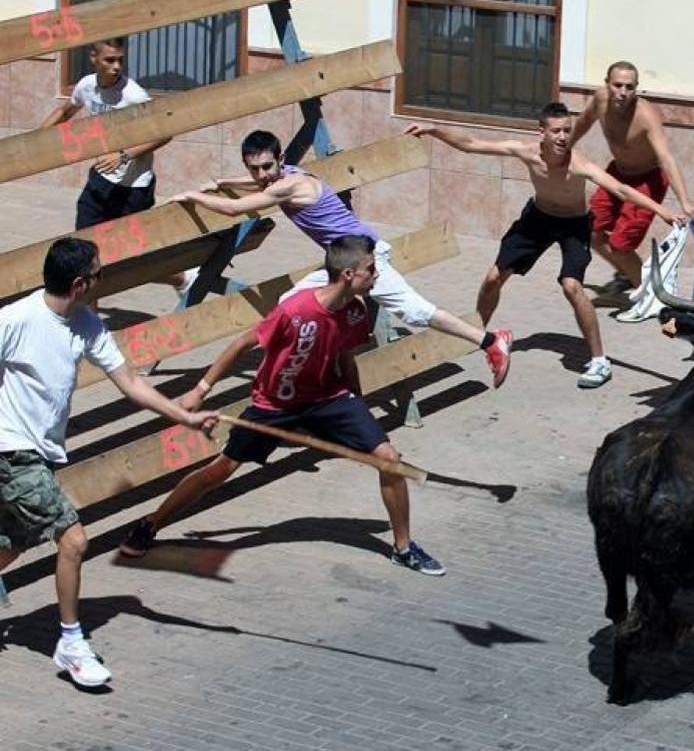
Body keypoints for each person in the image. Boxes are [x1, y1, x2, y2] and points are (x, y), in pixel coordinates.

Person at [118, 236, 446, 576]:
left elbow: (344, 355)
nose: (377, 276)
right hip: (274, 405)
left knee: (389, 460)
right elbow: (243, 343)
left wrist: (357, 406)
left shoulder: (355, 312)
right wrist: (200, 390)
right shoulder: (296, 309)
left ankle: (403, 548)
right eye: (371, 270)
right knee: (220, 472)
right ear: (348, 274)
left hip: (328, 398)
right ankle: (150, 525)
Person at [0, 238, 218, 687]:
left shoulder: (86, 323)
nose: (102, 279)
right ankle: (71, 642)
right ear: (80, 283)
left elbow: (131, 382)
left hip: (40, 452)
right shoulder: (15, 320)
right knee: (74, 540)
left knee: (12, 543)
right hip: (10, 451)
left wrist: (186, 417)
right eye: (98, 274)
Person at [171, 131, 513, 387]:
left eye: (266, 166)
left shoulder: (286, 185)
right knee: (292, 302)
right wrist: (222, 180)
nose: (261, 175)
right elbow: (256, 184)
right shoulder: (285, 173)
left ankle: (490, 340)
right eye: (254, 168)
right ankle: (310, 369)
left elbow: (235, 207)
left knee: (415, 311)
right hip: (340, 261)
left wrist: (195, 195)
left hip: (363, 257)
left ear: (278, 160)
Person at [404, 103, 684, 389]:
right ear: (542, 133)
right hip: (537, 219)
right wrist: (434, 129)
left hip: (574, 224)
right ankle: (480, 336)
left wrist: (662, 212)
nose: (563, 137)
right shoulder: (526, 151)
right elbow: (472, 144)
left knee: (572, 286)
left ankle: (600, 360)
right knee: (493, 277)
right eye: (556, 131)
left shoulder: (578, 163)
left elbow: (621, 189)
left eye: (567, 131)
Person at [40, 38, 190, 294]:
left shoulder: (134, 95)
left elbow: (165, 132)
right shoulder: (86, 86)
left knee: (126, 258)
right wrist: (35, 141)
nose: (116, 66)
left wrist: (123, 155)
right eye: (110, 60)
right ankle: (89, 320)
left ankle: (181, 278)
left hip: (134, 187)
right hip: (101, 181)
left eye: (120, 60)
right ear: (94, 58)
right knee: (85, 255)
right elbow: (65, 112)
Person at [569, 60, 694, 296]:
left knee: (620, 245)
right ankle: (628, 276)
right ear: (607, 84)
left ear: (636, 88)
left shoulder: (646, 115)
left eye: (629, 87)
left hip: (648, 181)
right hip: (617, 174)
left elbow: (667, 158)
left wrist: (685, 201)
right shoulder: (600, 100)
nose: (623, 92)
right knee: (590, 230)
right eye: (618, 85)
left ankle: (649, 295)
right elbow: (583, 122)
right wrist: (564, 149)